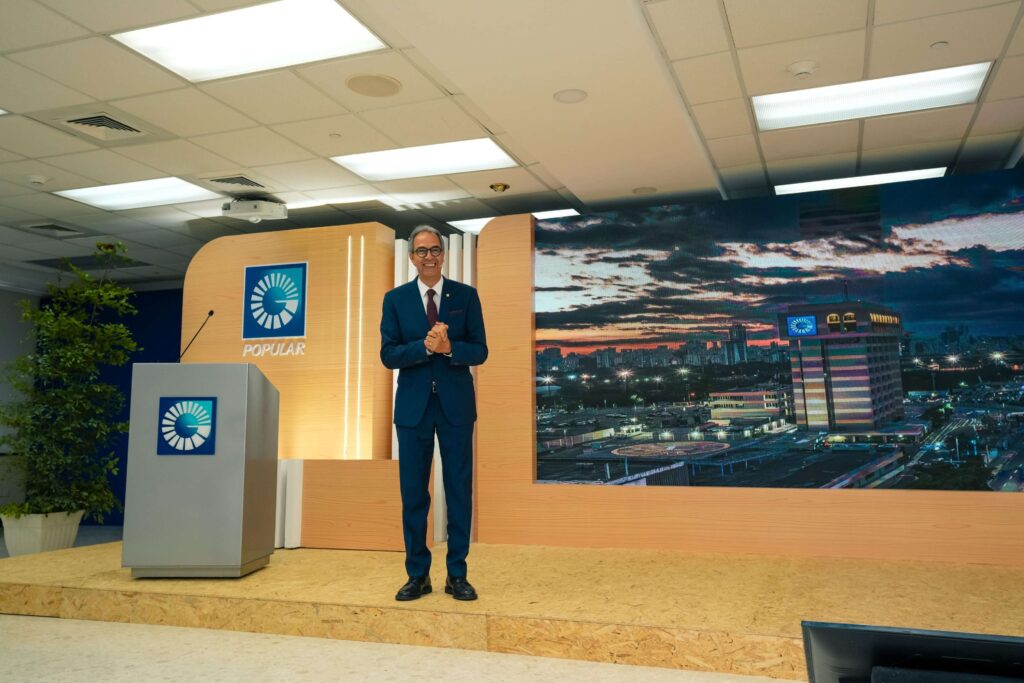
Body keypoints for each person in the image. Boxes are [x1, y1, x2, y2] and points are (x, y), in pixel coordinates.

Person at [379, 225, 488, 601]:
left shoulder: (466, 296)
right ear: (412, 257)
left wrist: (449, 348)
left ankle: (457, 574)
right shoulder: (395, 300)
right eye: (422, 251)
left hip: (456, 408)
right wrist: (424, 349)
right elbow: (388, 354)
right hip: (413, 411)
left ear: (444, 254)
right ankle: (417, 575)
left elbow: (480, 350)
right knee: (413, 494)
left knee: (458, 492)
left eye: (435, 250)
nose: (429, 257)